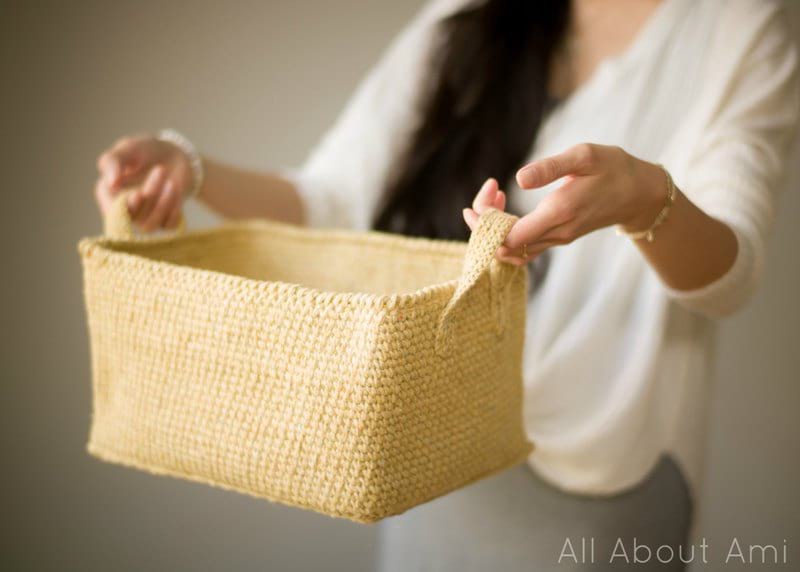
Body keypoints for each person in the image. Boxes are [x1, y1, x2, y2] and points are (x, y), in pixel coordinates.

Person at [92, 0, 798, 569]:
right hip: (433, 445)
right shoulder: (459, 19)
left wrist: (651, 203)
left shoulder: (736, 27)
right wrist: (194, 169)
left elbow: (728, 279)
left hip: (598, 479)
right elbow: (333, 197)